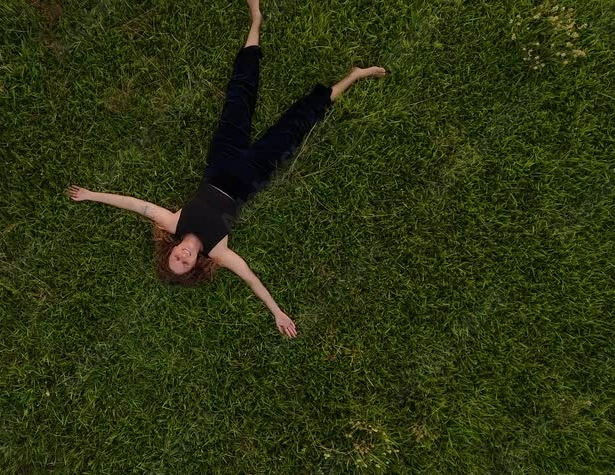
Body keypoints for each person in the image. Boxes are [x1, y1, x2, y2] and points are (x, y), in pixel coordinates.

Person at [67, 0, 387, 338]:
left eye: (177, 256)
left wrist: (91, 195)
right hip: (254, 172)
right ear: (195, 264)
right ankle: (353, 75)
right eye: (186, 262)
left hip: (222, 156)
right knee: (298, 123)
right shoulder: (217, 249)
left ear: (172, 249)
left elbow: (133, 203)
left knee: (239, 94)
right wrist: (276, 311)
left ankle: (256, 20)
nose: (184, 254)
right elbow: (250, 277)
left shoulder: (174, 222)